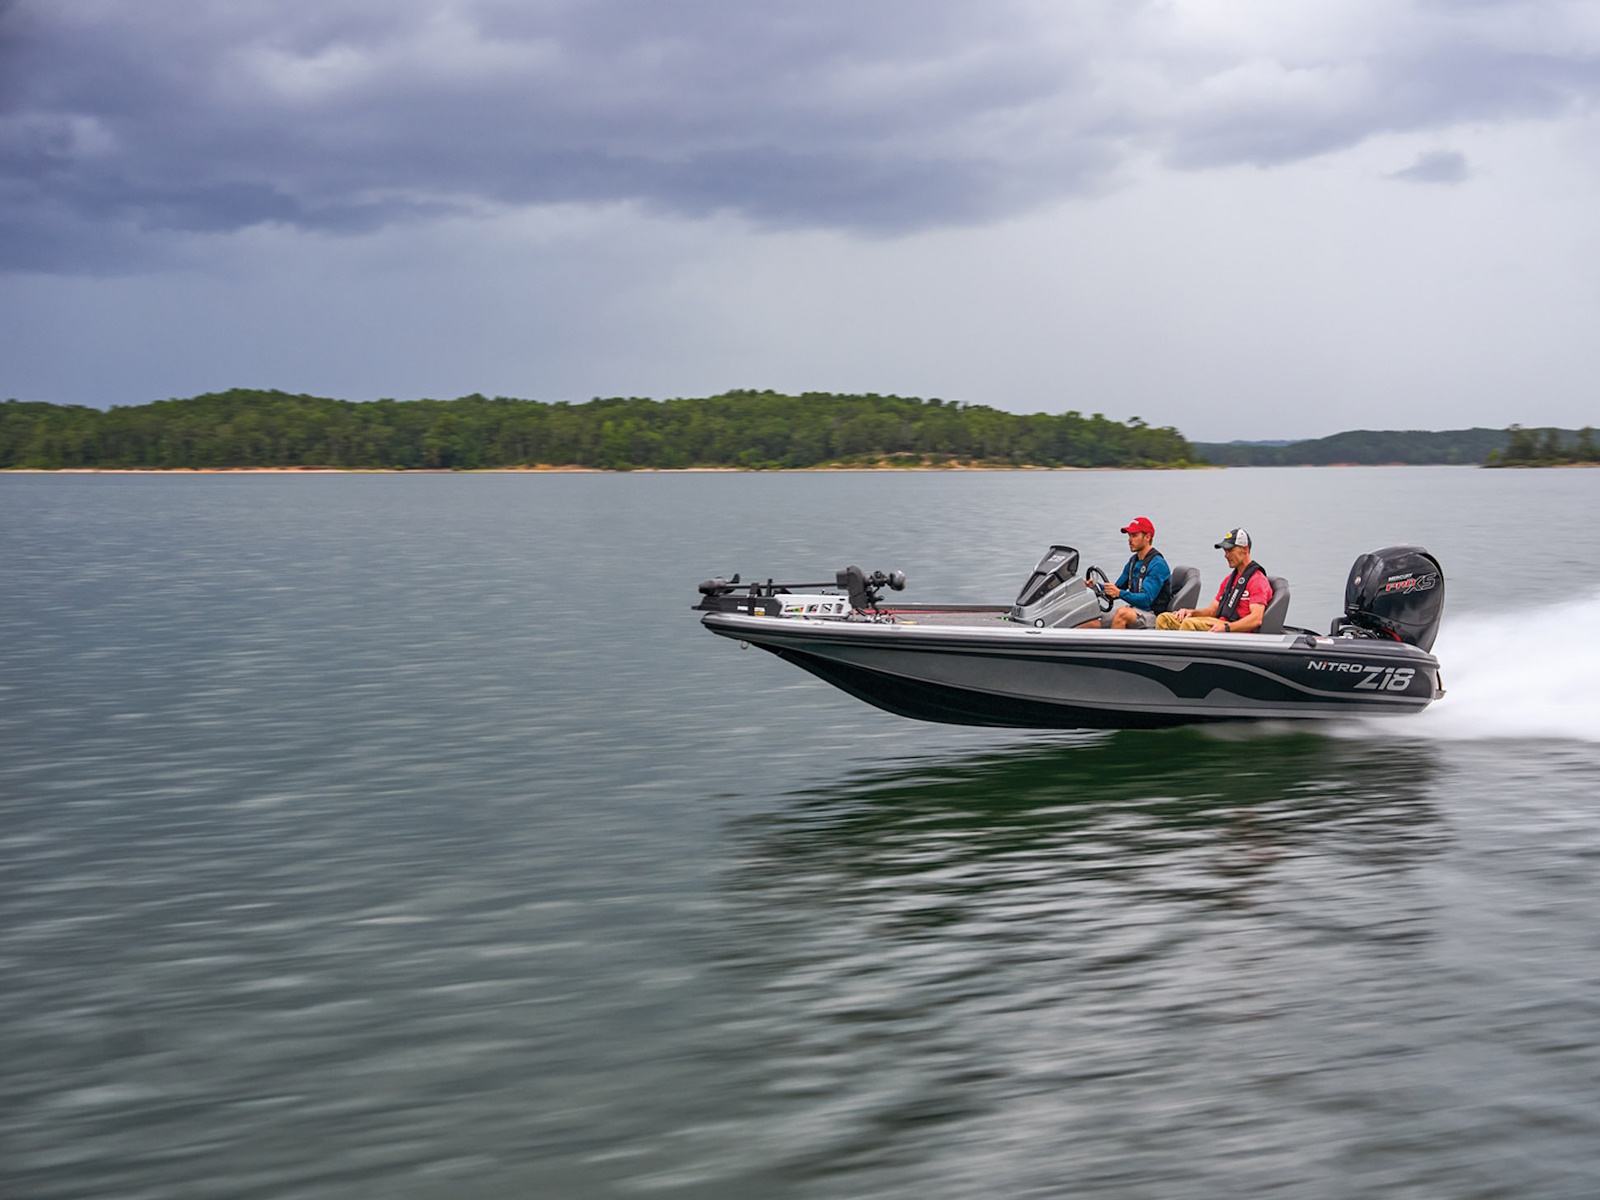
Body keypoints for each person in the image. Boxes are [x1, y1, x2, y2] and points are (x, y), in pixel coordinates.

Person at [1156, 528, 1273, 633]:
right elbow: (1212, 611)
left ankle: (1185, 650)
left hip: (1236, 631)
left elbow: (1256, 619)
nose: (1226, 555)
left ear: (1245, 549)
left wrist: (1227, 627)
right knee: (1164, 619)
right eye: (1225, 551)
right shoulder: (1229, 580)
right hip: (1220, 624)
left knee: (1189, 624)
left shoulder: (1257, 580)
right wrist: (1191, 612)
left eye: (1230, 550)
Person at [1087, 516, 1172, 629]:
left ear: (1147, 537)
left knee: (1122, 613)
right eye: (1129, 535)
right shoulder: (1133, 561)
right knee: (1089, 621)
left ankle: (1113, 641)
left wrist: (1120, 593)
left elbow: (1146, 600)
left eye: (1134, 535)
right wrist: (1094, 586)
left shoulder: (1158, 565)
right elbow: (1116, 589)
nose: (1130, 539)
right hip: (1134, 610)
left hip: (1154, 615)